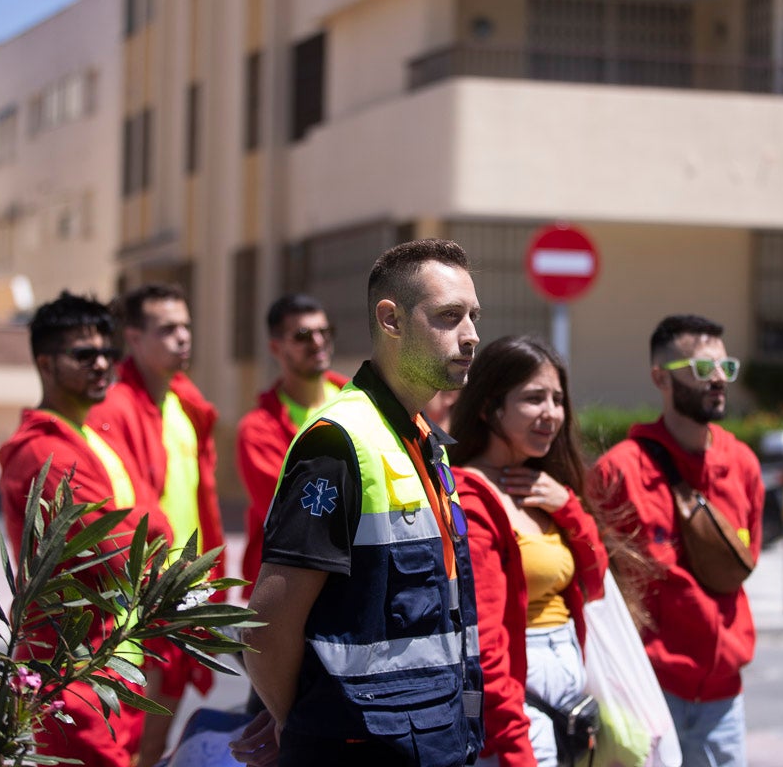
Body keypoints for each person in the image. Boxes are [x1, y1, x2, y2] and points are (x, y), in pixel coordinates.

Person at [231, 239, 485, 767]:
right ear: (390, 320)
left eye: (473, 316)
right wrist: (298, 723)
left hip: (433, 740)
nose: (471, 335)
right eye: (449, 316)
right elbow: (267, 626)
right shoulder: (339, 441)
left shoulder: (421, 438)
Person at [0, 291, 173, 767]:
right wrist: (145, 523)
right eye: (83, 354)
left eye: (107, 353)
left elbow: (159, 527)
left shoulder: (95, 438)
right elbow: (120, 552)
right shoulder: (42, 452)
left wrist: (143, 523)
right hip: (65, 668)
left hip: (114, 656)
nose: (101, 364)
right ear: (45, 363)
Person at [588, 314, 762, 767]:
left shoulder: (742, 465)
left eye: (727, 368)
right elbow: (597, 585)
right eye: (703, 369)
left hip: (724, 697)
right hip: (647, 689)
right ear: (660, 378)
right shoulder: (618, 472)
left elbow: (746, 562)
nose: (720, 379)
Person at [448, 336, 607, 767]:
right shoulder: (472, 498)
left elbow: (595, 582)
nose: (552, 413)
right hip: (519, 718)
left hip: (567, 705)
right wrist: (516, 747)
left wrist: (570, 510)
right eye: (534, 398)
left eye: (558, 399)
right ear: (488, 408)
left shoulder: (542, 485)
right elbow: (485, 646)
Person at [86, 283, 226, 767]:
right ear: (134, 338)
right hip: (140, 597)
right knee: (125, 738)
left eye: (186, 326)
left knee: (157, 744)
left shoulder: (184, 404)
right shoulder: (113, 408)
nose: (183, 337)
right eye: (167, 329)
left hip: (185, 591)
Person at [235, 293, 348, 600]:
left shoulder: (357, 404)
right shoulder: (258, 430)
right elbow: (290, 515)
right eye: (302, 335)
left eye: (324, 332)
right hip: (285, 590)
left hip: (350, 582)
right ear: (275, 347)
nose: (318, 341)